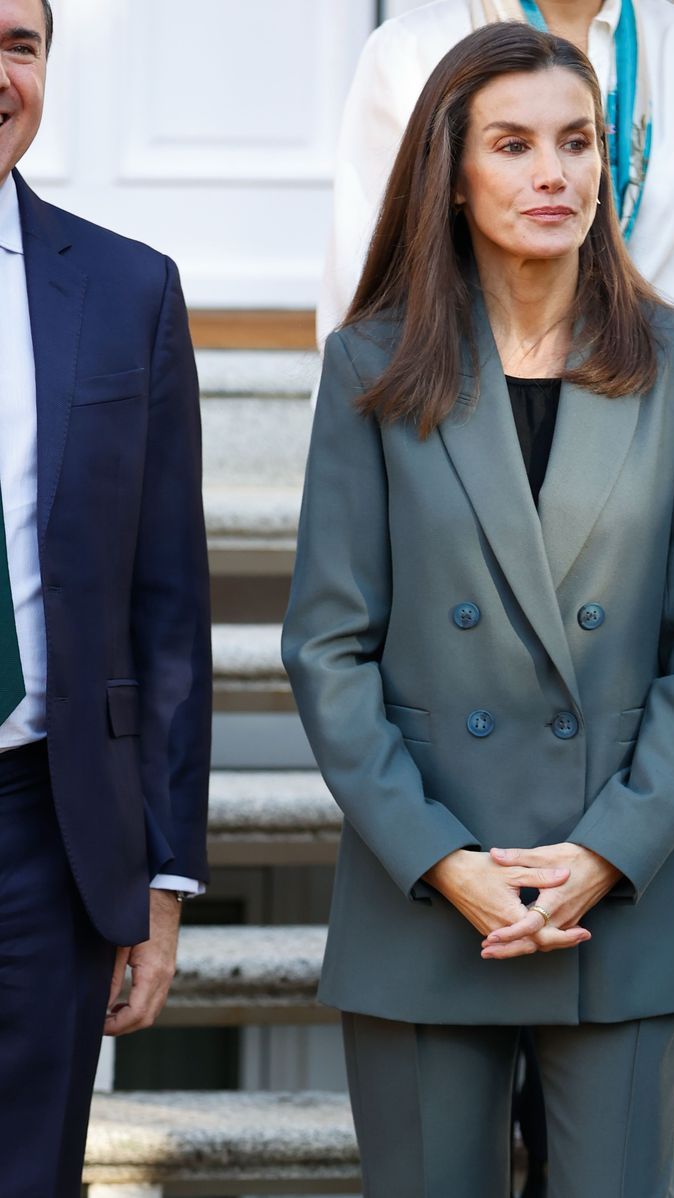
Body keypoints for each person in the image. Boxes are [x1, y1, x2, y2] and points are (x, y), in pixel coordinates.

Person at [283, 21, 674, 1197]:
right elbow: (328, 647)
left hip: (619, 898)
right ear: (450, 167)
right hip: (429, 889)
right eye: (514, 143)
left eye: (578, 142)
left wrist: (609, 847)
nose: (554, 173)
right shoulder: (370, 369)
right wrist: (442, 857)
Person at [0, 1, 212, 1193]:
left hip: (42, 826)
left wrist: (162, 879)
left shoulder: (128, 291)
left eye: (18, 45)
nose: (0, 72)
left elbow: (166, 599)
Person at [317, 0, 674, 435]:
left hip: (648, 414)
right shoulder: (409, 49)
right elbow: (372, 272)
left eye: (578, 145)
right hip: (461, 418)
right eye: (515, 145)